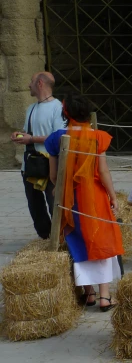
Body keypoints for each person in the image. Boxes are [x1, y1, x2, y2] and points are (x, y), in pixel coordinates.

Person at [45, 92, 123, 312]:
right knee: (100, 240)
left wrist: (61, 191)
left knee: (77, 242)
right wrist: (114, 196)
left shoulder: (55, 138)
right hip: (95, 197)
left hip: (70, 198)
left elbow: (53, 175)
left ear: (65, 113)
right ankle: (105, 297)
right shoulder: (99, 137)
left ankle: (89, 294)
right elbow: (103, 171)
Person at [9, 72, 65, 239]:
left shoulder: (58, 107)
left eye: (31, 81)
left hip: (50, 163)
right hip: (30, 163)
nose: (28, 85)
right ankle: (45, 237)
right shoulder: (31, 108)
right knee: (35, 205)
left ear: (40, 83)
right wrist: (20, 135)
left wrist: (32, 138)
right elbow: (30, 133)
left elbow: (60, 136)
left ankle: (59, 237)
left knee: (53, 202)